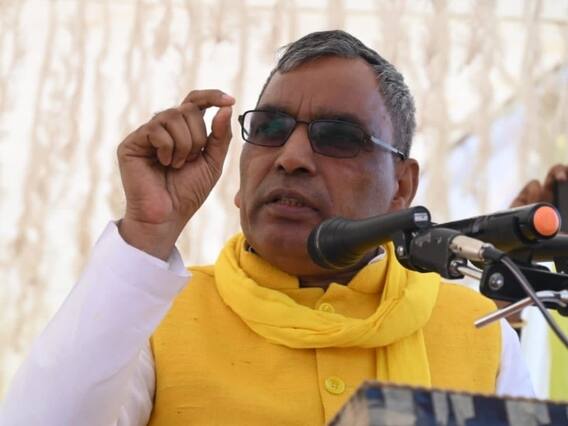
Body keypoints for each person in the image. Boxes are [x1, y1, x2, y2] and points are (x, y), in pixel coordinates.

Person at [1, 30, 566, 426]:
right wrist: (148, 232)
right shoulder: (153, 316)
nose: (292, 157)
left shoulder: (476, 329)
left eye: (338, 137)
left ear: (402, 185)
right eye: (270, 128)